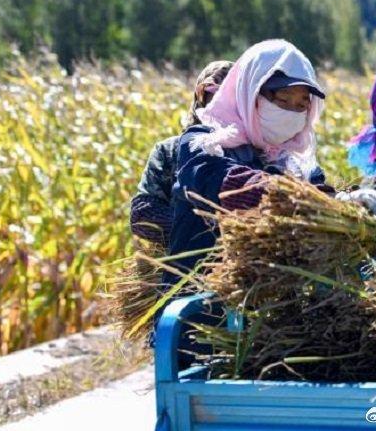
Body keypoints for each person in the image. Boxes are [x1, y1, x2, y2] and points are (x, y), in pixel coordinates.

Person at [166, 39, 329, 284]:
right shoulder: (202, 142)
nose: (290, 113)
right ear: (250, 93)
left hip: (264, 303)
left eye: (301, 105)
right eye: (283, 100)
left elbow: (321, 192)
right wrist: (295, 197)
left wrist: (351, 203)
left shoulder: (293, 160)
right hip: (198, 303)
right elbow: (224, 183)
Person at [130, 60, 233, 248]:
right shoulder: (170, 151)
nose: (222, 107)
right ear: (201, 98)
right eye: (214, 97)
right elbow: (142, 213)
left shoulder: (257, 151)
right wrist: (204, 234)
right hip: (179, 266)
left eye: (231, 100)